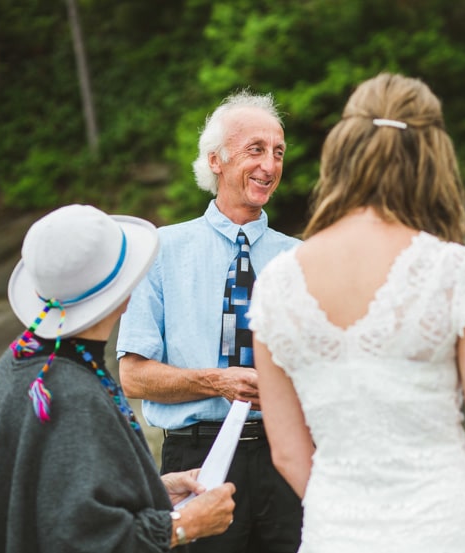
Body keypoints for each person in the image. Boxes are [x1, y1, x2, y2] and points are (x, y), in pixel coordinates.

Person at [247, 72, 465, 553]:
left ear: (343, 153)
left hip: (335, 534)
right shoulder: (454, 271)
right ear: (433, 159)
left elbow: (288, 453)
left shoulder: (275, 283)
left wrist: (344, 515)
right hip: (448, 529)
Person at [0, 204, 236, 553]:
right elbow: (81, 538)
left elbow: (52, 495)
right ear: (125, 295)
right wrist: (185, 524)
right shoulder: (72, 395)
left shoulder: (21, 361)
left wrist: (154, 488)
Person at [116, 91, 302, 553]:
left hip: (289, 456)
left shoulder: (301, 258)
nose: (270, 165)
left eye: (278, 152)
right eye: (255, 149)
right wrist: (217, 381)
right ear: (216, 159)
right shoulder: (159, 250)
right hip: (196, 460)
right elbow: (133, 377)